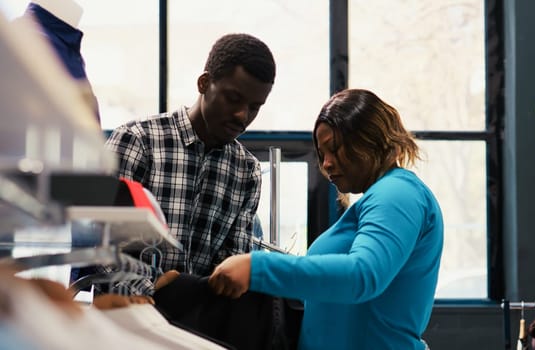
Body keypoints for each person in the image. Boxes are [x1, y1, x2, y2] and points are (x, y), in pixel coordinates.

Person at [207, 88, 444, 349]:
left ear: (370, 139)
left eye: (335, 149)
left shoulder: (396, 193)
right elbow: (334, 290)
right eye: (322, 154)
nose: (327, 164)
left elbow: (362, 275)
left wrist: (257, 267)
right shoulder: (384, 195)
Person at [105, 33, 276, 281]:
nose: (242, 115)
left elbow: (232, 259)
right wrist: (150, 291)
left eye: (254, 107)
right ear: (204, 83)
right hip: (126, 312)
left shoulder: (246, 171)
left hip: (199, 315)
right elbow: (102, 244)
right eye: (233, 99)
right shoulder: (138, 142)